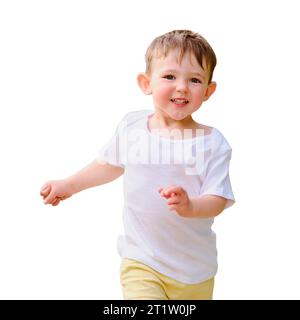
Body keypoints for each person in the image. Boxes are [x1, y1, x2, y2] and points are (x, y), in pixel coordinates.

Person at [40, 30, 235, 300]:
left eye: (194, 80)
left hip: (194, 270)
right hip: (142, 260)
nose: (181, 87)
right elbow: (109, 164)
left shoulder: (212, 143)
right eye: (170, 76)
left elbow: (217, 198)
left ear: (209, 91)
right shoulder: (133, 127)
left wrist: (190, 206)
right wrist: (69, 185)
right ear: (146, 83)